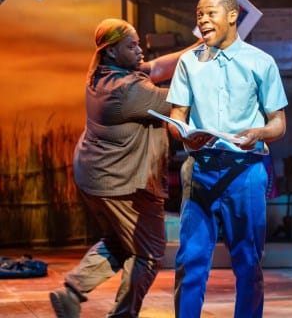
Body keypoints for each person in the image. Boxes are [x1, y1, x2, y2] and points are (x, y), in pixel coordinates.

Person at [49, 18, 198, 318]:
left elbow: (158, 68)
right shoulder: (126, 89)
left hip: (96, 176)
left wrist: (200, 47)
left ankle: (71, 292)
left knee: (120, 242)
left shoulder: (104, 73)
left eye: (138, 43)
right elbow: (182, 99)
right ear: (111, 51)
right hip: (122, 182)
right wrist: (213, 65)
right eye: (131, 46)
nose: (140, 50)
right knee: (149, 253)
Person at [166, 0, 288, 318]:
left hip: (244, 170)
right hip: (200, 167)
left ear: (232, 16)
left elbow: (278, 123)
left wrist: (259, 133)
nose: (203, 20)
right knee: (190, 260)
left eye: (210, 13)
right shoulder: (188, 62)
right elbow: (177, 115)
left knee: (248, 261)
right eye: (199, 15)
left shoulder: (261, 62)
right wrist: (183, 133)